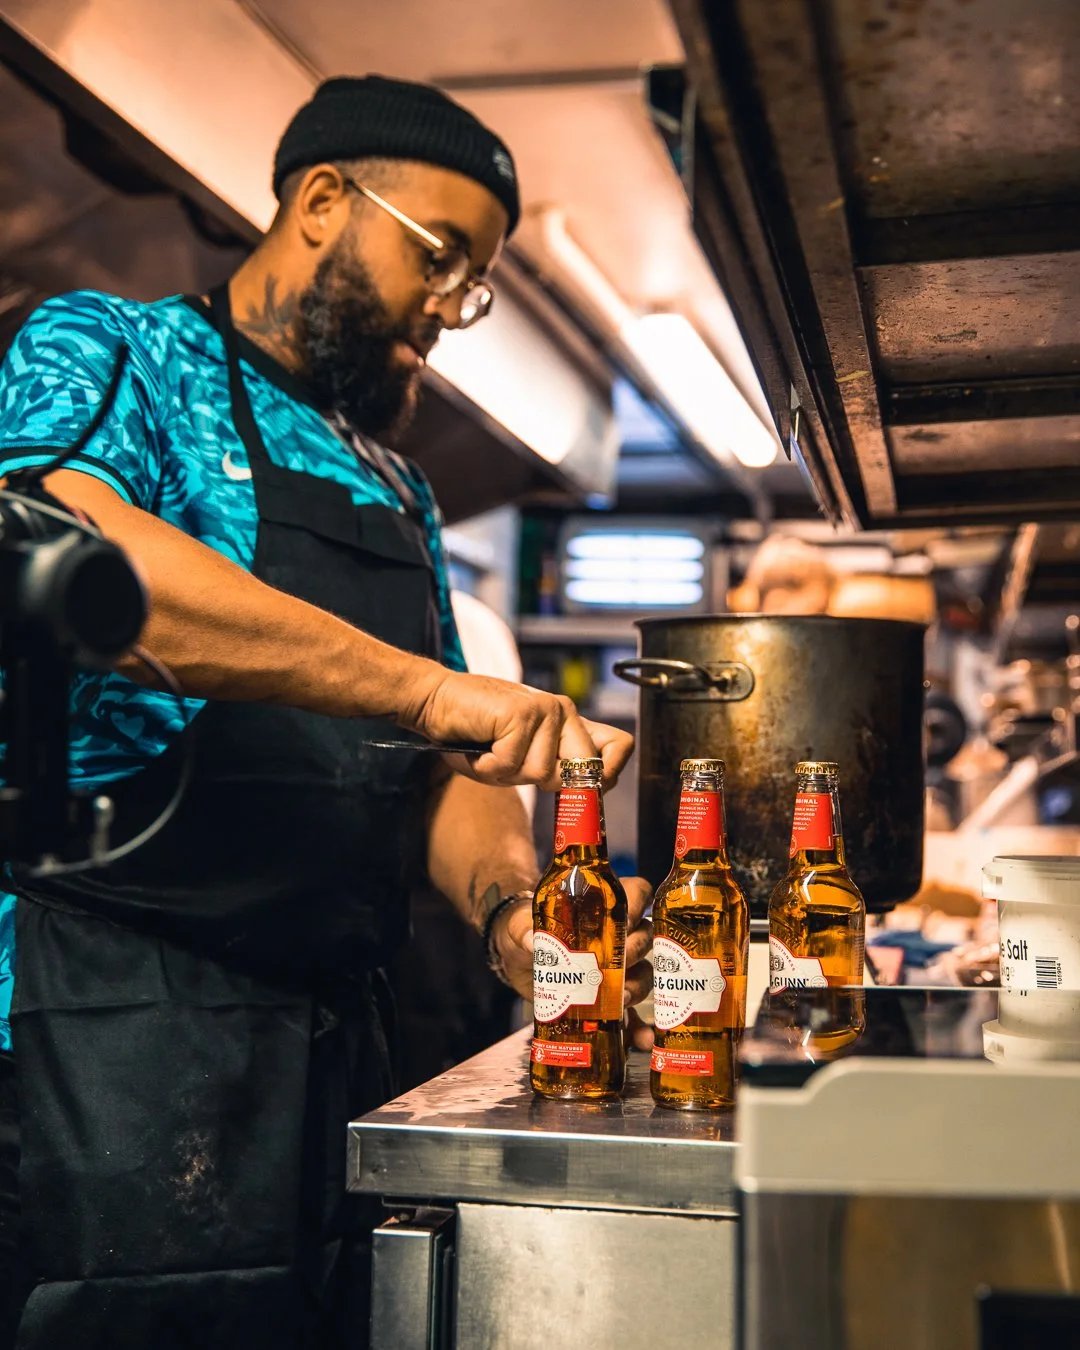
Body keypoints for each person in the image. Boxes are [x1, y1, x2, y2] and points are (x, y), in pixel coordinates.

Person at [0, 75, 653, 1349]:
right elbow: (78, 567)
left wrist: (513, 909)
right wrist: (425, 683)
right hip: (114, 1023)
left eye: (475, 286)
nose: (453, 311)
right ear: (319, 201)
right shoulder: (113, 351)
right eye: (443, 260)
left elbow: (449, 760)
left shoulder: (395, 482)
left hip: (335, 1037)